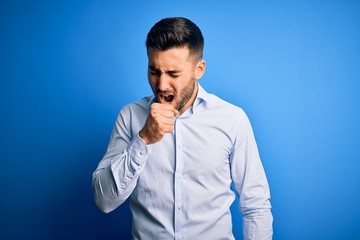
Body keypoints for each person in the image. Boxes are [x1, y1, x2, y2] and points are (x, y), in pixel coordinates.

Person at [92, 17, 273, 239]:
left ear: (199, 69)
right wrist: (144, 139)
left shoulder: (232, 119)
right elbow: (104, 200)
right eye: (154, 71)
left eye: (173, 74)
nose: (161, 84)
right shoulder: (130, 117)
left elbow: (255, 205)